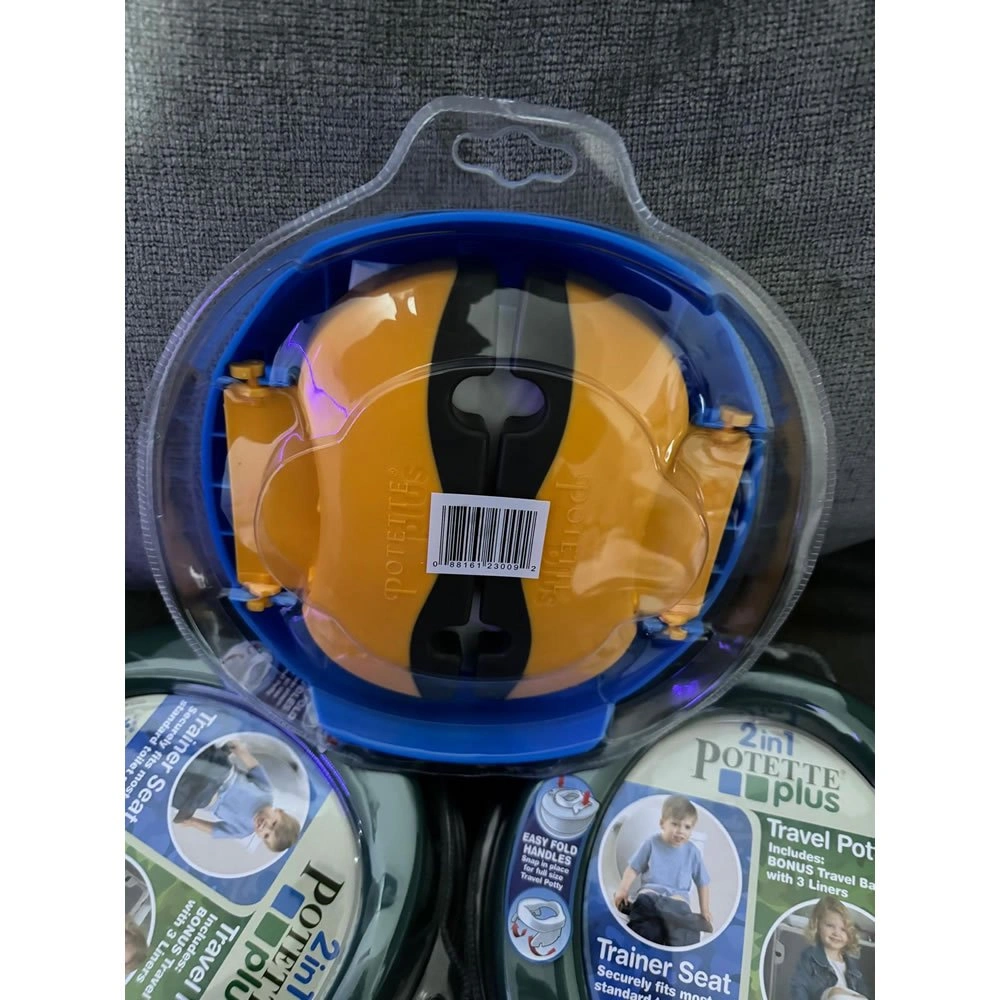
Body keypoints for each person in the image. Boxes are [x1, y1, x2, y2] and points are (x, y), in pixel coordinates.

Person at [611, 796, 712, 946]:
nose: (680, 831)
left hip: (677, 901)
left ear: (692, 829)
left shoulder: (693, 852)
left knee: (682, 935)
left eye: (687, 827)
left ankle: (674, 923)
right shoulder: (651, 843)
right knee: (647, 926)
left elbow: (703, 882)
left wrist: (705, 910)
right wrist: (623, 890)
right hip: (651, 896)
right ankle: (654, 919)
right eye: (675, 824)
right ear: (662, 823)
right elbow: (633, 868)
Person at [171, 738, 301, 852]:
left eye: (266, 835)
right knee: (214, 763)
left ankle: (188, 792)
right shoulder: (266, 792)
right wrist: (241, 751)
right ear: (279, 811)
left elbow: (215, 829)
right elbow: (254, 767)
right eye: (273, 824)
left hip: (209, 799)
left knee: (182, 799)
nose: (265, 827)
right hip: (224, 775)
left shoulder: (243, 830)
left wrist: (192, 822)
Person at [789, 896, 871, 1000]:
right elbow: (799, 986)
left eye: (843, 929)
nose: (837, 933)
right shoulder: (809, 957)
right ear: (817, 925)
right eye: (830, 926)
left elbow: (863, 992)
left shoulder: (852, 965)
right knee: (834, 992)